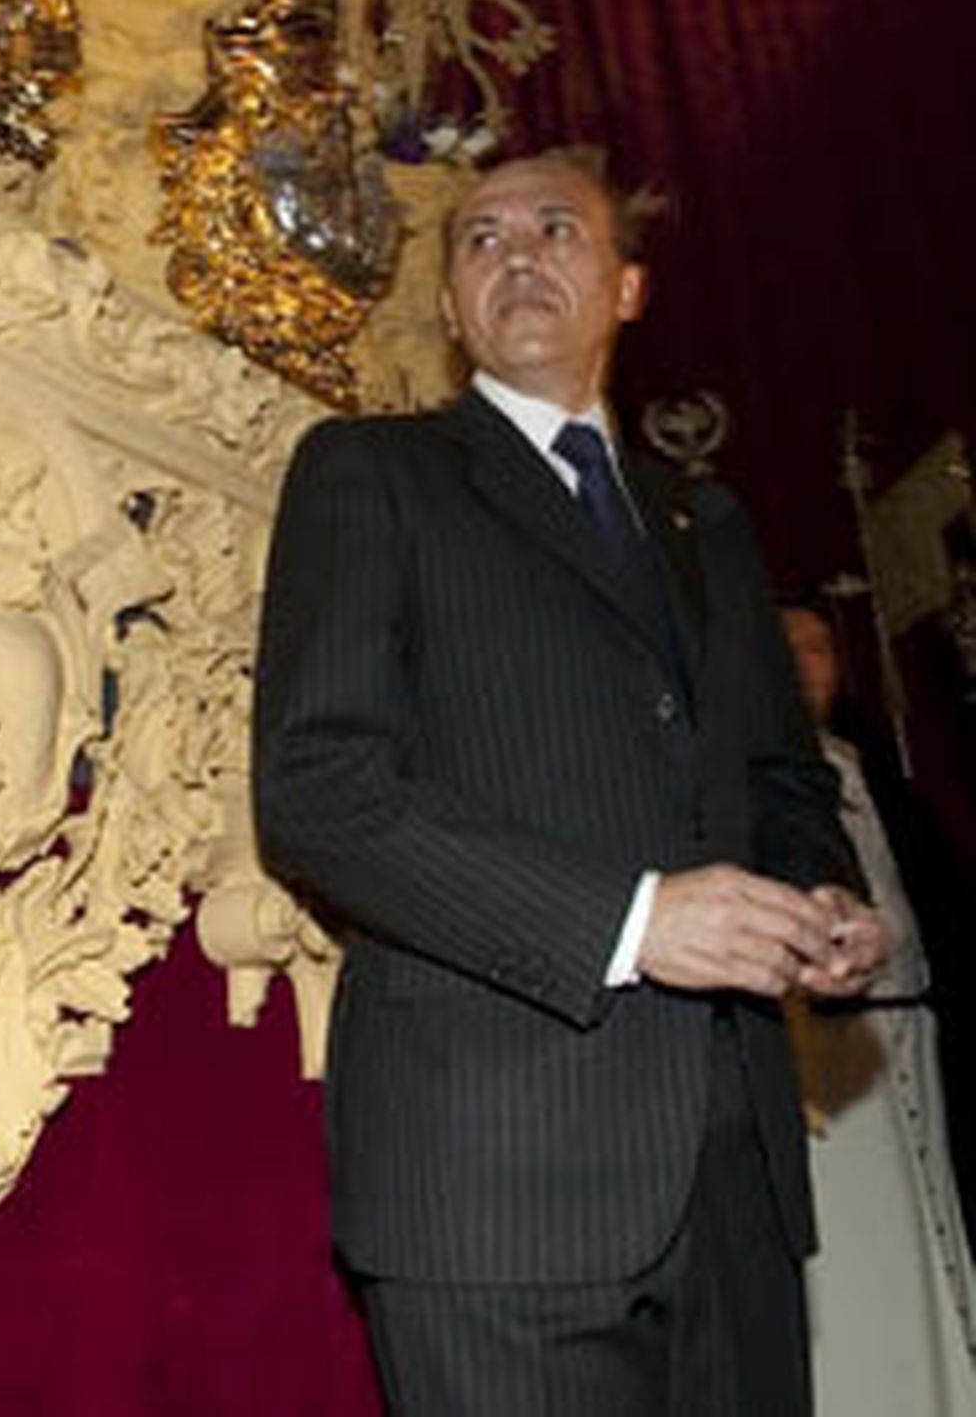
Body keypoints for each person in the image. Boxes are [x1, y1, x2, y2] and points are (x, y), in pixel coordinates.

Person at [252, 145, 890, 1415]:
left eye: (557, 228)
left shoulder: (709, 522)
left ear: (629, 287)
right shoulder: (368, 472)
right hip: (493, 1185)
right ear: (445, 309)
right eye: (479, 239)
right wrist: (635, 919)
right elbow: (318, 788)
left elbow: (780, 777)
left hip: (735, 1183)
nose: (518, 256)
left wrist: (821, 899)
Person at [781, 601, 976, 1413]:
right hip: (819, 1057)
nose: (804, 664)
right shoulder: (756, 787)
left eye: (821, 646)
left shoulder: (872, 774)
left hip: (913, 1032)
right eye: (784, 649)